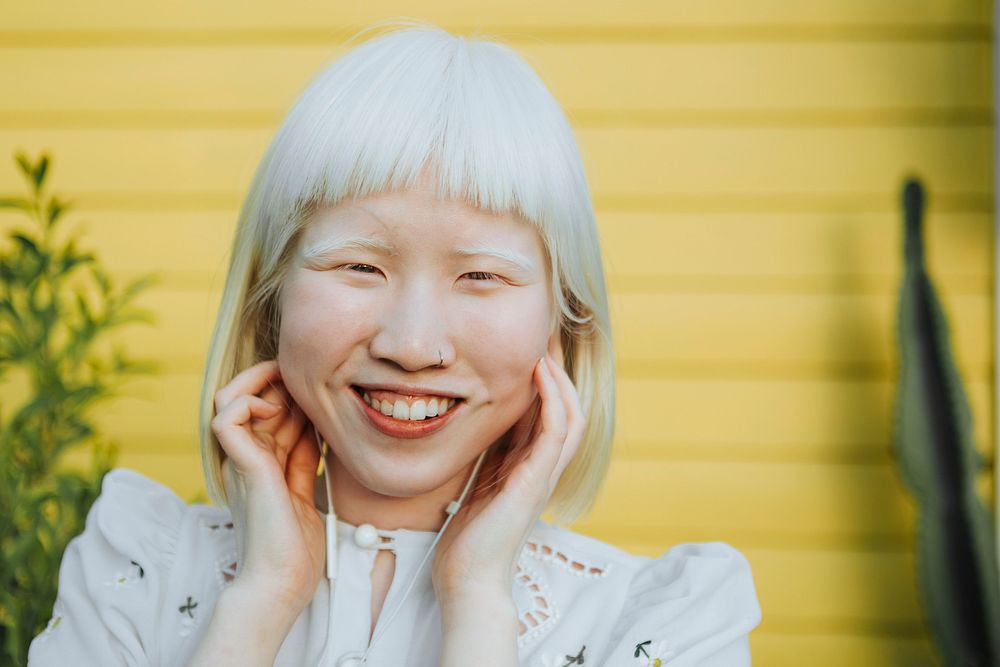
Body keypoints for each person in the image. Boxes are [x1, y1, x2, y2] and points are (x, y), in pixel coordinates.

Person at [28, 21, 761, 667]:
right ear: (270, 294)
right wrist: (261, 599)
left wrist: (476, 599)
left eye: (479, 274)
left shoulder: (665, 623)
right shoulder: (135, 568)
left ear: (565, 319)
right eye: (360, 266)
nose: (413, 344)